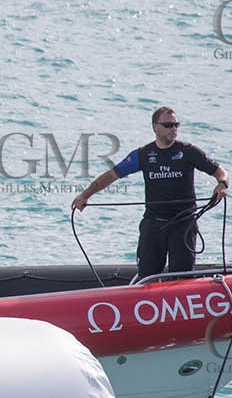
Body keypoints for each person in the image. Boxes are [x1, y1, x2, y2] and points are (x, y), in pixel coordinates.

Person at [73, 106, 230, 278]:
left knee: (182, 277)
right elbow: (111, 175)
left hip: (183, 224)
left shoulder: (188, 152)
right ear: (155, 127)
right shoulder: (143, 155)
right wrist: (85, 195)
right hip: (154, 224)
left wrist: (222, 184)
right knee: (147, 277)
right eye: (168, 125)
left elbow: (220, 172)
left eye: (176, 125)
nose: (174, 129)